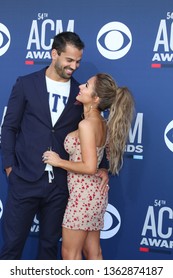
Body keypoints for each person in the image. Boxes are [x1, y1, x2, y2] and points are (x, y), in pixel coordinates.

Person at [0, 31, 109, 260]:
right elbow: (9, 128)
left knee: (49, 250)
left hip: (60, 186)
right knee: (12, 247)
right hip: (24, 180)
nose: (74, 66)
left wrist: (103, 165)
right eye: (69, 60)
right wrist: (10, 167)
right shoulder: (26, 84)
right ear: (54, 54)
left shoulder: (80, 95)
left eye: (78, 61)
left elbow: (95, 125)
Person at [42, 73, 135, 260]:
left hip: (83, 198)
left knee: (70, 255)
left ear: (96, 98)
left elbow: (90, 166)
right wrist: (105, 169)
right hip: (94, 196)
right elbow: (100, 159)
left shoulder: (86, 125)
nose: (80, 87)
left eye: (86, 85)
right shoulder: (103, 123)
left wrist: (58, 161)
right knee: (93, 252)